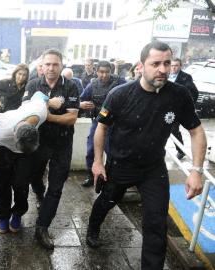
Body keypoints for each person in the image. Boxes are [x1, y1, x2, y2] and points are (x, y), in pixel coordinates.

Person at [87, 41, 207, 270]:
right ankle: (93, 227)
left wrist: (196, 170)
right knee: (106, 201)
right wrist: (97, 162)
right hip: (120, 164)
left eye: (167, 63)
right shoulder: (119, 95)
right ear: (141, 66)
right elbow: (101, 128)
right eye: (155, 64)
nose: (163, 69)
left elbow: (196, 131)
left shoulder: (178, 95)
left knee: (156, 223)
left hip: (153, 169)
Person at [23, 49, 79, 250]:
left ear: (61, 66)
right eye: (48, 64)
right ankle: (39, 194)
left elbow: (71, 118)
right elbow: (27, 113)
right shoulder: (33, 84)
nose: (51, 68)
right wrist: (47, 108)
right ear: (42, 66)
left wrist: (46, 114)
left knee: (56, 187)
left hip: (63, 144)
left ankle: (42, 228)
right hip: (39, 142)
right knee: (34, 178)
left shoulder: (71, 86)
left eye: (55, 64)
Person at [0, 91, 52, 233]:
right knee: (2, 183)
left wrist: (51, 101)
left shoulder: (41, 112)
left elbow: (40, 94)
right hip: (3, 147)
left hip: (25, 150)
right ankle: (3, 216)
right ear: (14, 137)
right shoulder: (1, 133)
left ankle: (18, 212)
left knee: (21, 183)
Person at [79, 60, 126, 187]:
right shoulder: (92, 84)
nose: (104, 75)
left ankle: (111, 178)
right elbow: (81, 99)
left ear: (111, 71)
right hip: (98, 121)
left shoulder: (120, 82)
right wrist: (82, 104)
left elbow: (130, 96)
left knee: (113, 152)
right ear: (96, 71)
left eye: (107, 72)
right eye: (101, 72)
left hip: (115, 123)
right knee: (91, 149)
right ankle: (90, 175)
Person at [169, 58, 199, 159]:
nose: (173, 67)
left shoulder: (185, 77)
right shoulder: (165, 74)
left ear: (180, 66)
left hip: (177, 109)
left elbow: (194, 92)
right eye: (172, 65)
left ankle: (180, 150)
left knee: (174, 130)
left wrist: (188, 106)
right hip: (162, 107)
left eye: (176, 65)